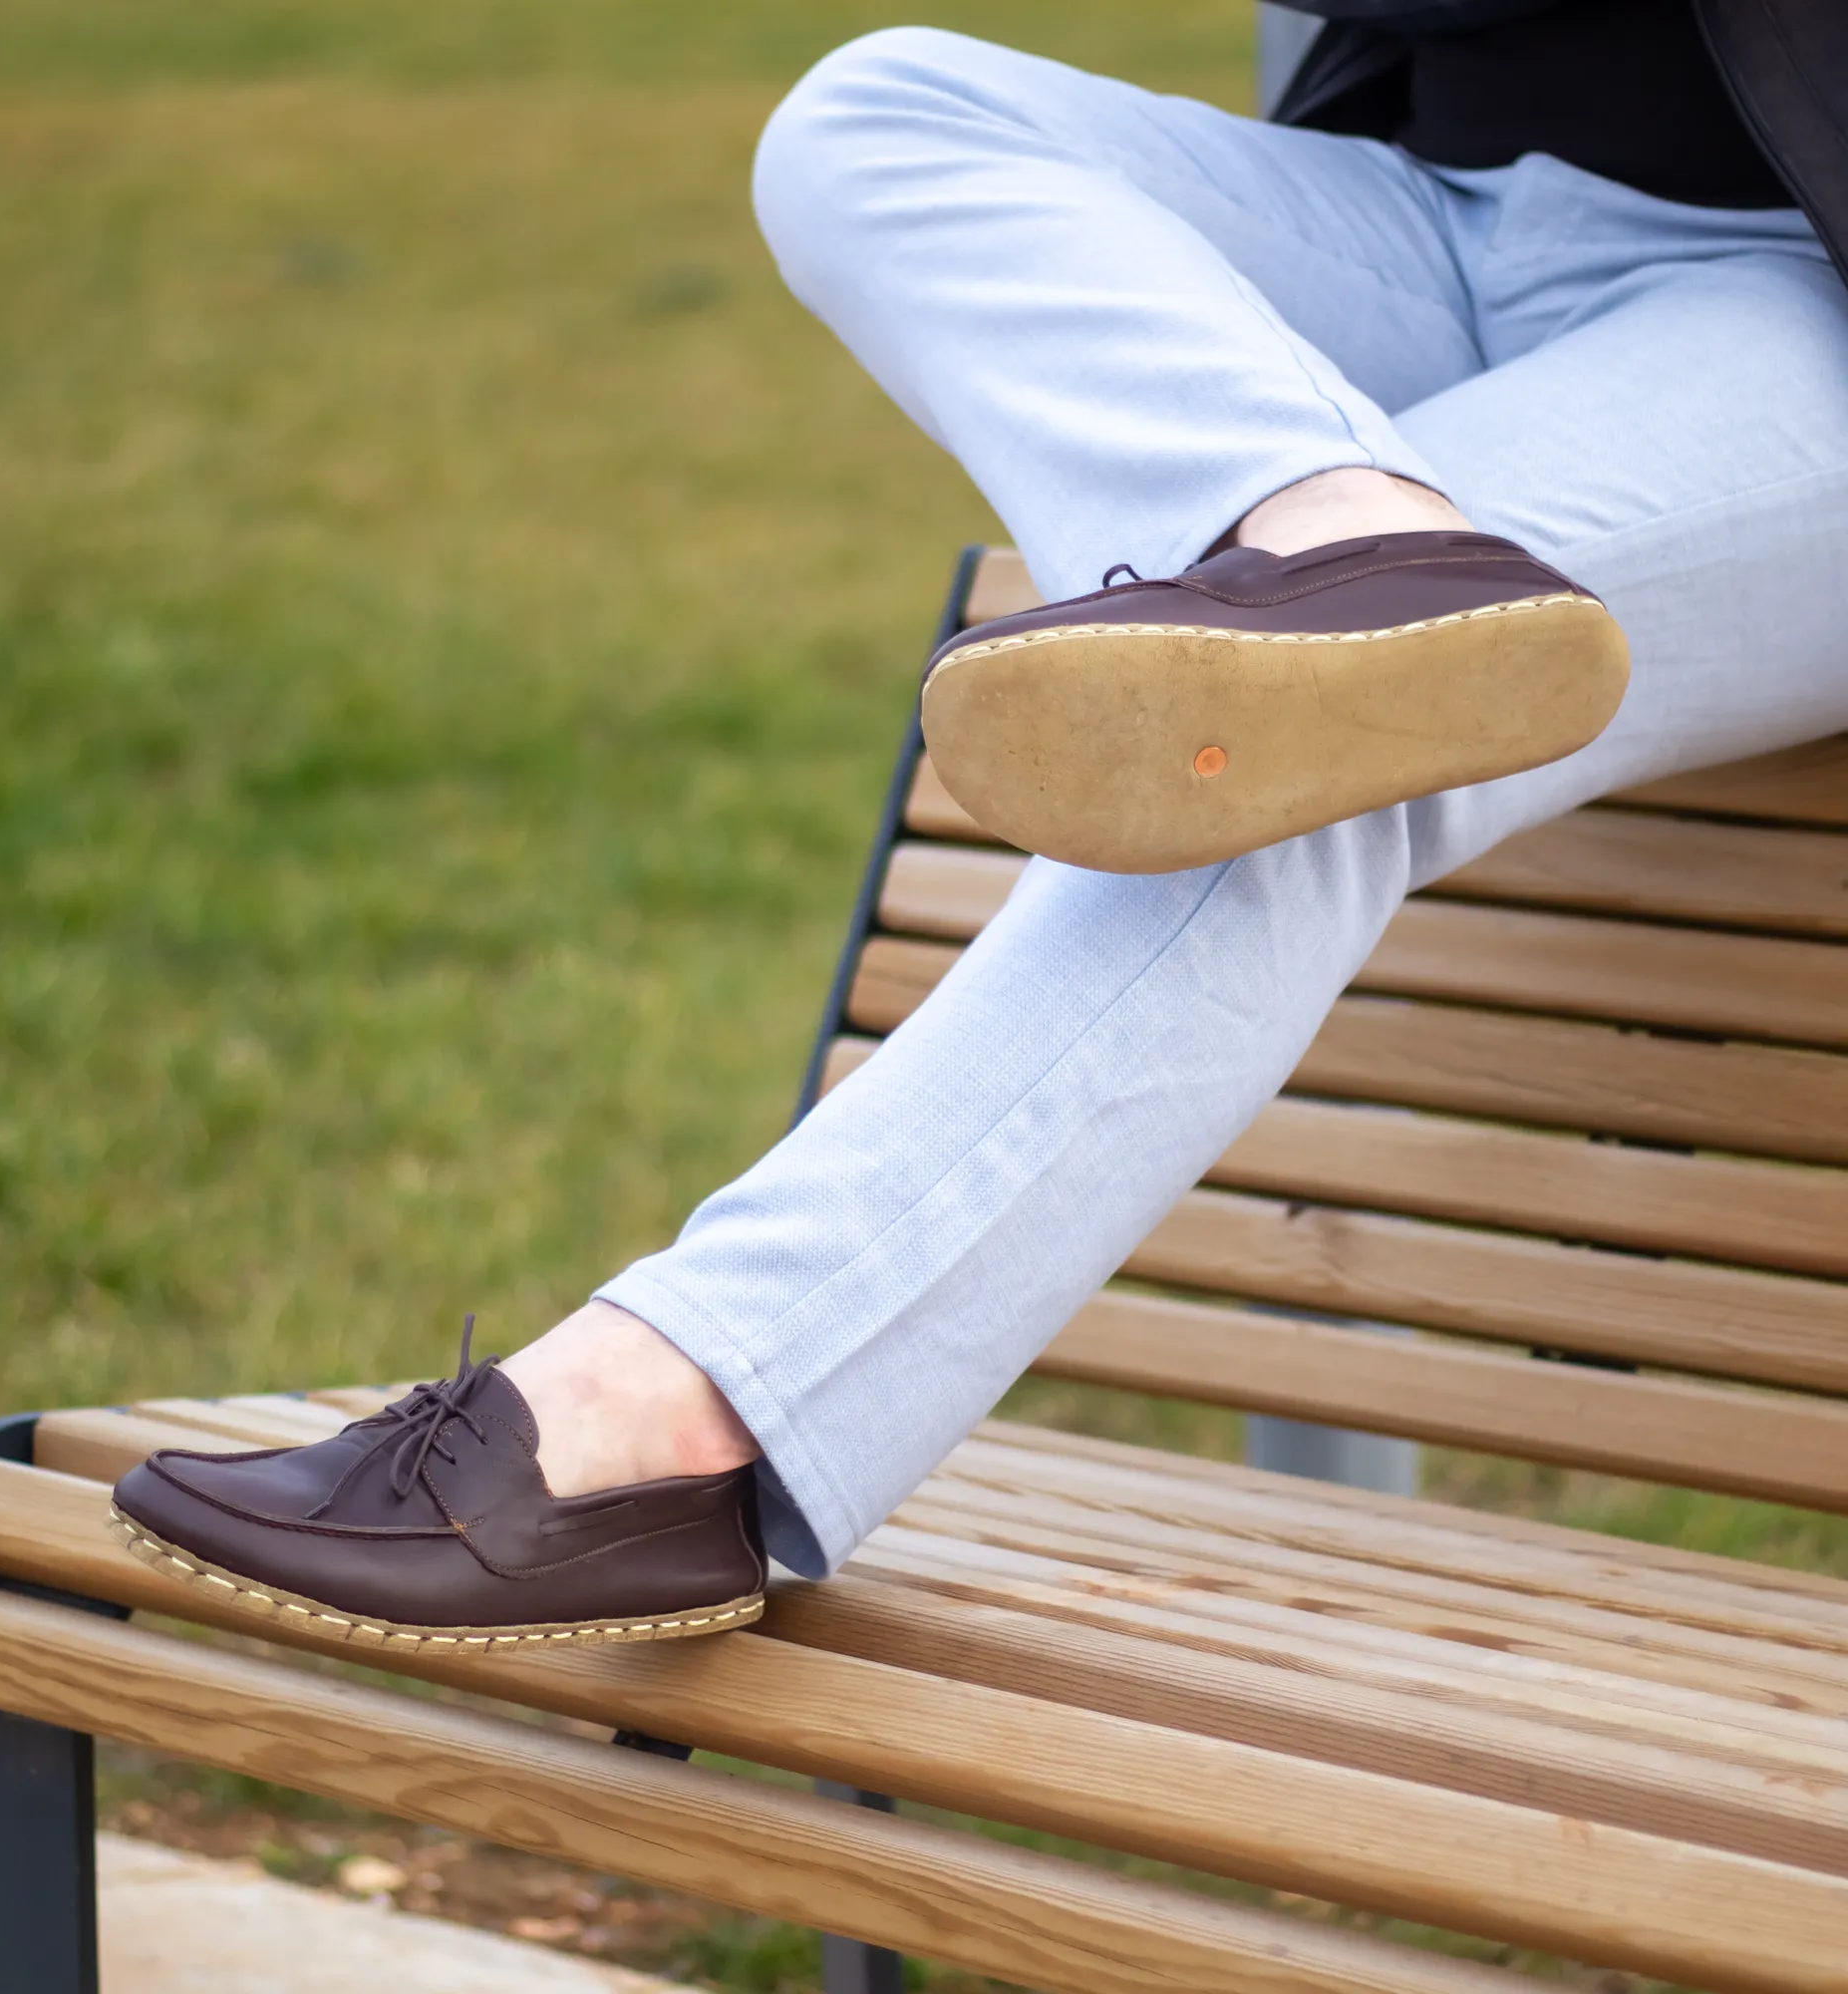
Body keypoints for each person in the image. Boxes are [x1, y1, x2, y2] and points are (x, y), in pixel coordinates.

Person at [111, 0, 1848, 1649]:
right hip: (1445, 212)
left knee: (1294, 744)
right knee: (876, 114)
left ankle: (676, 1405)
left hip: (1799, 304)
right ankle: (1326, 522)